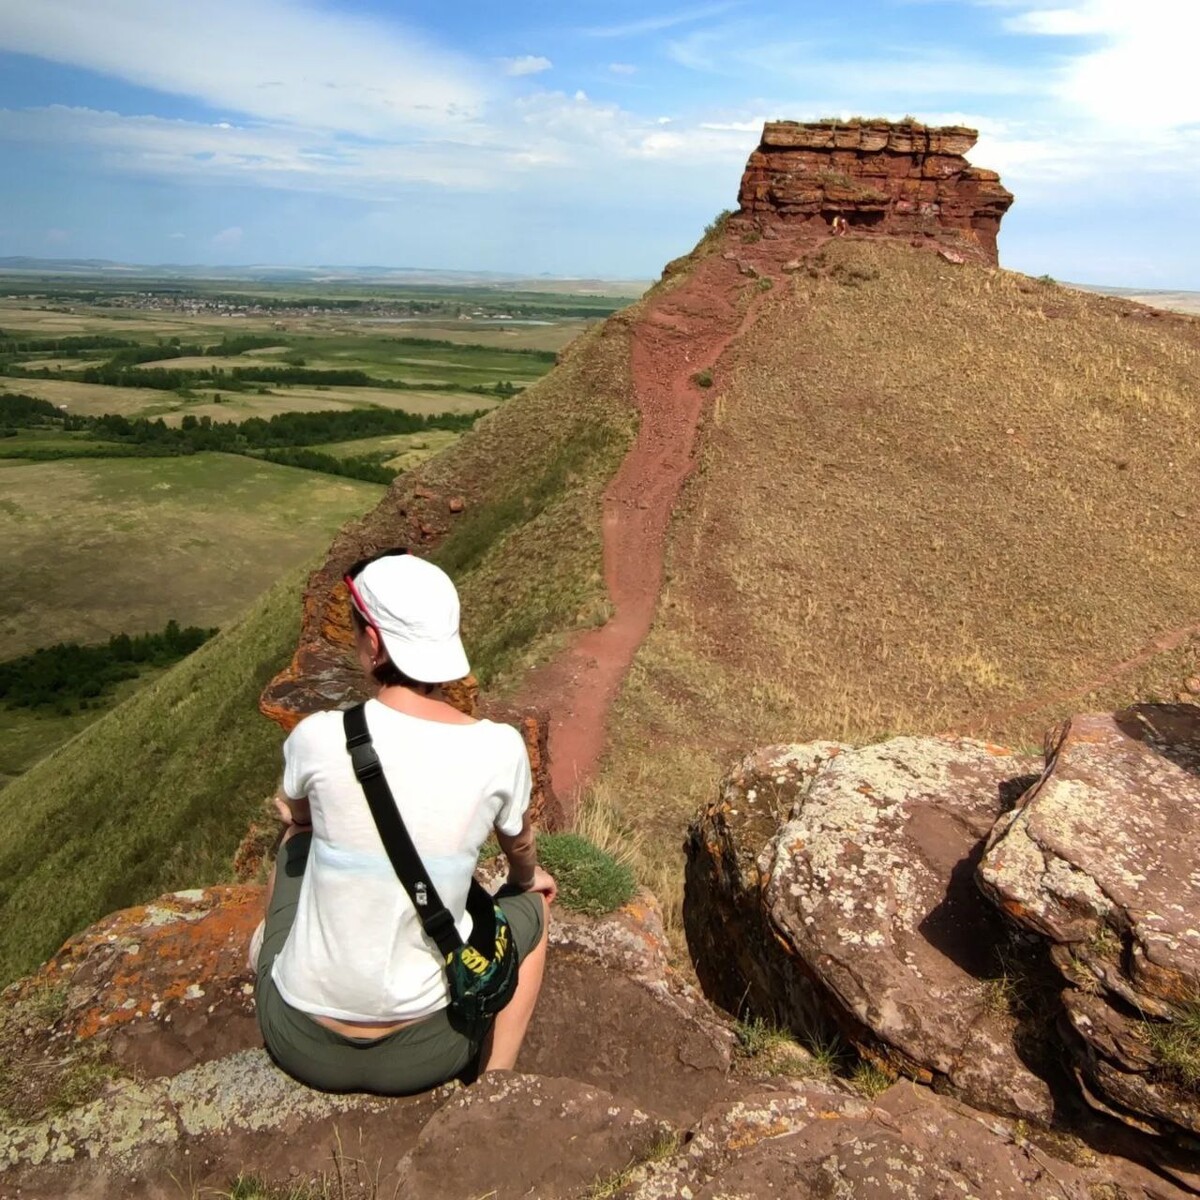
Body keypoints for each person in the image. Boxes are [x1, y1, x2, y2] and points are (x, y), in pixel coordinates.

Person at [250, 549, 555, 1094]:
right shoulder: (497, 747)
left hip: (299, 1039)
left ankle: (276, 951)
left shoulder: (318, 735)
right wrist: (529, 881)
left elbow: (297, 818)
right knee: (533, 913)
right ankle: (496, 1084)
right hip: (431, 1049)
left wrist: (303, 822)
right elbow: (519, 843)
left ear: (373, 643)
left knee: (295, 844)